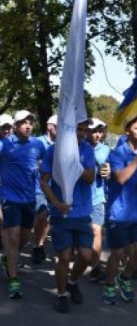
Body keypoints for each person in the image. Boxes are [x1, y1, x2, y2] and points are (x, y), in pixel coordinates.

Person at [40, 119, 95, 313]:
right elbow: (44, 181)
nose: (81, 134)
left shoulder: (87, 149)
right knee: (63, 256)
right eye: (78, 130)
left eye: (84, 130)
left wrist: (74, 162)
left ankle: (72, 282)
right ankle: (61, 295)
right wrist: (56, 203)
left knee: (87, 256)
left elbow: (90, 178)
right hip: (61, 214)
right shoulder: (53, 150)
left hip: (82, 212)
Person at [102, 114, 137, 305]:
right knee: (117, 254)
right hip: (119, 212)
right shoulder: (117, 153)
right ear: (127, 132)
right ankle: (109, 285)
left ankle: (124, 278)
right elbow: (121, 178)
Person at [0, 110, 46, 299]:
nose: (28, 125)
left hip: (30, 198)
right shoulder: (4, 144)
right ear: (16, 125)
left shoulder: (37, 144)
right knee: (13, 236)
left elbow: (46, 163)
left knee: (25, 236)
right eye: (24, 122)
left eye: (30, 122)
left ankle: (9, 258)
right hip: (9, 198)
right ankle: (14, 280)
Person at [86, 118, 110, 283]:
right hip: (78, 199)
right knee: (81, 234)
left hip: (97, 197)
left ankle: (95, 267)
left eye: (100, 131)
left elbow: (110, 172)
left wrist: (108, 173)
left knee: (96, 231)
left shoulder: (107, 150)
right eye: (94, 131)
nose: (97, 135)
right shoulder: (78, 148)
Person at [32, 114, 57, 265]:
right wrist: (38, 165)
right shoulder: (38, 142)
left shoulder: (61, 145)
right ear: (50, 127)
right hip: (38, 186)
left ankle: (39, 245)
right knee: (43, 215)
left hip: (54, 187)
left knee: (47, 218)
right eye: (58, 127)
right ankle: (37, 245)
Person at [0, 114, 14, 251]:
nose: (7, 130)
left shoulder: (13, 143)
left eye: (9, 127)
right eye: (4, 127)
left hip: (9, 187)